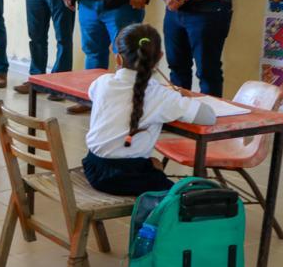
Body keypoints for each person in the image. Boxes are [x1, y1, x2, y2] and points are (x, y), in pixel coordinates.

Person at [82, 24, 216, 196]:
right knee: (184, 199)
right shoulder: (161, 95)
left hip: (93, 167)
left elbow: (94, 95)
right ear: (160, 57)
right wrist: (185, 97)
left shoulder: (103, 82)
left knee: (154, 164)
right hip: (124, 177)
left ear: (118, 59)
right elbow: (208, 117)